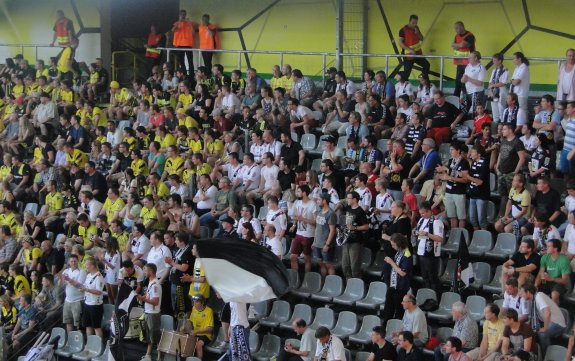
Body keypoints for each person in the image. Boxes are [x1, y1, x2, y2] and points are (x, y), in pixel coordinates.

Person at [519, 283, 566, 353]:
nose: (520, 294)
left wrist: (545, 328)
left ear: (528, 292)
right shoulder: (531, 300)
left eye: (522, 292)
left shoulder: (539, 296)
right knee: (529, 329)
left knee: (542, 333)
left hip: (557, 323)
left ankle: (547, 354)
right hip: (547, 322)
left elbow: (547, 313)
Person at [436, 141, 469, 229]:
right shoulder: (451, 161)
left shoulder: (464, 163)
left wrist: (450, 178)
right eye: (450, 150)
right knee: (452, 216)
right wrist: (443, 172)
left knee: (461, 217)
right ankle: (454, 234)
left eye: (452, 150)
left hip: (459, 192)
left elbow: (465, 180)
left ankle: (460, 235)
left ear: (458, 151)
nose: (450, 151)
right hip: (449, 191)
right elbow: (448, 175)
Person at [496, 124, 526, 215]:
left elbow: (522, 158)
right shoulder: (504, 141)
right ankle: (501, 215)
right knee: (503, 196)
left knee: (513, 196)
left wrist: (515, 172)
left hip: (511, 174)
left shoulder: (517, 142)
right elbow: (500, 154)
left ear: (510, 130)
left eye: (504, 129)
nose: (502, 131)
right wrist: (497, 167)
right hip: (501, 172)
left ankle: (512, 215)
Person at [381, 233, 412, 322]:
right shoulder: (399, 252)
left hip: (401, 287)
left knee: (399, 310)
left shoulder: (407, 254)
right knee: (388, 308)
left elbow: (402, 272)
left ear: (399, 244)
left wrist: (391, 262)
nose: (392, 247)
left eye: (394, 245)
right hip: (393, 285)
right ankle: (386, 325)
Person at [415, 201, 444, 291]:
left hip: (431, 254)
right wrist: (416, 232)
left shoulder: (436, 222)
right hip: (420, 251)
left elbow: (440, 239)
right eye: (420, 213)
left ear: (429, 211)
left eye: (423, 213)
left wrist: (427, 234)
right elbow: (418, 231)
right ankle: (427, 294)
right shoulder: (421, 220)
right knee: (425, 276)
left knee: (432, 277)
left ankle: (436, 297)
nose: (421, 215)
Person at [341, 191, 369, 279]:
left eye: (349, 198)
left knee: (354, 267)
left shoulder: (360, 211)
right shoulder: (348, 208)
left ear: (355, 199)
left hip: (356, 241)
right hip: (346, 240)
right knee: (345, 265)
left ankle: (357, 287)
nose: (347, 200)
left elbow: (366, 226)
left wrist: (355, 228)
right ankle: (349, 285)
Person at [137, 262, 161, 361]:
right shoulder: (150, 282)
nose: (144, 272)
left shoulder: (155, 285)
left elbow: (155, 302)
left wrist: (143, 299)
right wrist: (141, 297)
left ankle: (159, 357)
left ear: (151, 271)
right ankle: (148, 355)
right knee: (150, 336)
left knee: (155, 336)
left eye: (145, 270)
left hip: (153, 313)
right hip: (148, 311)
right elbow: (148, 297)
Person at [535, 238, 570, 305]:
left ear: (555, 249)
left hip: (559, 283)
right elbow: (541, 273)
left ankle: (556, 313)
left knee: (554, 295)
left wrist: (552, 278)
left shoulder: (564, 260)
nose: (546, 248)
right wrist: (536, 285)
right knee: (537, 293)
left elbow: (565, 280)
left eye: (549, 246)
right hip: (547, 281)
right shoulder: (544, 257)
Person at [181, 294, 213, 360]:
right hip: (194, 333)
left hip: (205, 335)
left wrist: (196, 331)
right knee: (184, 340)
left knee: (198, 345)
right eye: (193, 301)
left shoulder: (209, 311)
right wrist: (184, 327)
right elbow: (190, 322)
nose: (194, 304)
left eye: (196, 302)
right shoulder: (194, 309)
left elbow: (210, 329)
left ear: (202, 302)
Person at [59, 254, 86, 332]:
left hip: (78, 300)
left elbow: (80, 286)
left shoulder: (82, 272)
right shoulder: (66, 271)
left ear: (78, 261)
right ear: (69, 262)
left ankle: (80, 341)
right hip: (68, 300)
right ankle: (70, 340)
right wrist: (60, 279)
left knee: (78, 324)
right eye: (71, 261)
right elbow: (60, 286)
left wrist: (69, 279)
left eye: (75, 261)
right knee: (68, 322)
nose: (73, 263)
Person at [313, 193, 337, 276]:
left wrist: (327, 244)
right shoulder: (319, 212)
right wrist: (314, 241)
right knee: (320, 263)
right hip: (318, 243)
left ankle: (332, 283)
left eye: (319, 200)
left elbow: (332, 230)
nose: (318, 201)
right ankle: (324, 281)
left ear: (324, 201)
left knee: (328, 264)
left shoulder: (331, 214)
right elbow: (317, 228)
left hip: (326, 243)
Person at [81, 258, 104, 337]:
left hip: (95, 305)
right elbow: (85, 286)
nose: (85, 266)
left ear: (93, 266)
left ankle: (99, 345)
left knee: (96, 327)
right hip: (87, 303)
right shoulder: (88, 275)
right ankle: (89, 344)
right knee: (88, 325)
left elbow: (99, 291)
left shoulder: (98, 277)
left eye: (87, 264)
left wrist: (87, 289)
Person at [451, 21, 475, 97]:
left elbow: (462, 45)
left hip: (468, 63)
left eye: (456, 28)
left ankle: (466, 99)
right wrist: (458, 45)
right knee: (458, 81)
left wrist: (458, 45)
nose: (455, 30)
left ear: (461, 27)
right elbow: (453, 45)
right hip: (459, 62)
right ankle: (455, 98)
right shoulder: (456, 36)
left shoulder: (470, 36)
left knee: (466, 81)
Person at [172, 10, 197, 76]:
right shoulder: (177, 23)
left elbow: (194, 33)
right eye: (182, 14)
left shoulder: (190, 23)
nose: (183, 16)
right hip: (179, 44)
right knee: (181, 61)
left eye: (184, 14)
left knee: (190, 61)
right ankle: (184, 74)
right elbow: (173, 30)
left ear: (186, 15)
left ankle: (191, 75)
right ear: (179, 15)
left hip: (188, 44)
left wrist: (189, 23)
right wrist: (179, 22)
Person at [488, 53, 509, 122]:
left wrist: (493, 86)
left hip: (501, 93)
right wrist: (490, 91)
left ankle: (503, 129)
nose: (493, 62)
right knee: (495, 114)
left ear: (499, 61)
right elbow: (490, 82)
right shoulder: (494, 70)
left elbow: (503, 83)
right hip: (493, 92)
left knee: (501, 111)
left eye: (494, 60)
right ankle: (496, 130)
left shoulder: (505, 70)